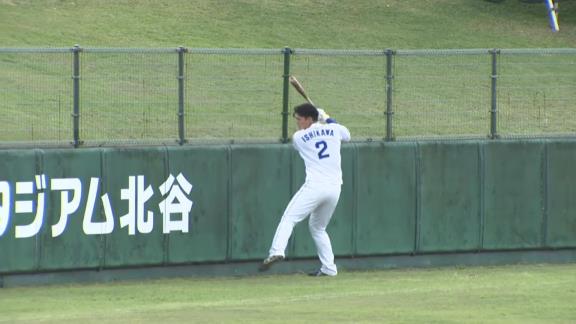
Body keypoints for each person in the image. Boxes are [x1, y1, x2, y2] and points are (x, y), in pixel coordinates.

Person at [259, 103, 351, 276]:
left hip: (315, 186)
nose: (297, 123)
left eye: (300, 119)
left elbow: (313, 135)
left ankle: (276, 251)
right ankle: (329, 269)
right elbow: (347, 135)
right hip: (334, 189)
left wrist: (322, 121)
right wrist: (328, 118)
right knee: (318, 227)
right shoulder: (334, 129)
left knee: (289, 218)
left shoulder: (299, 137)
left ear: (309, 119)